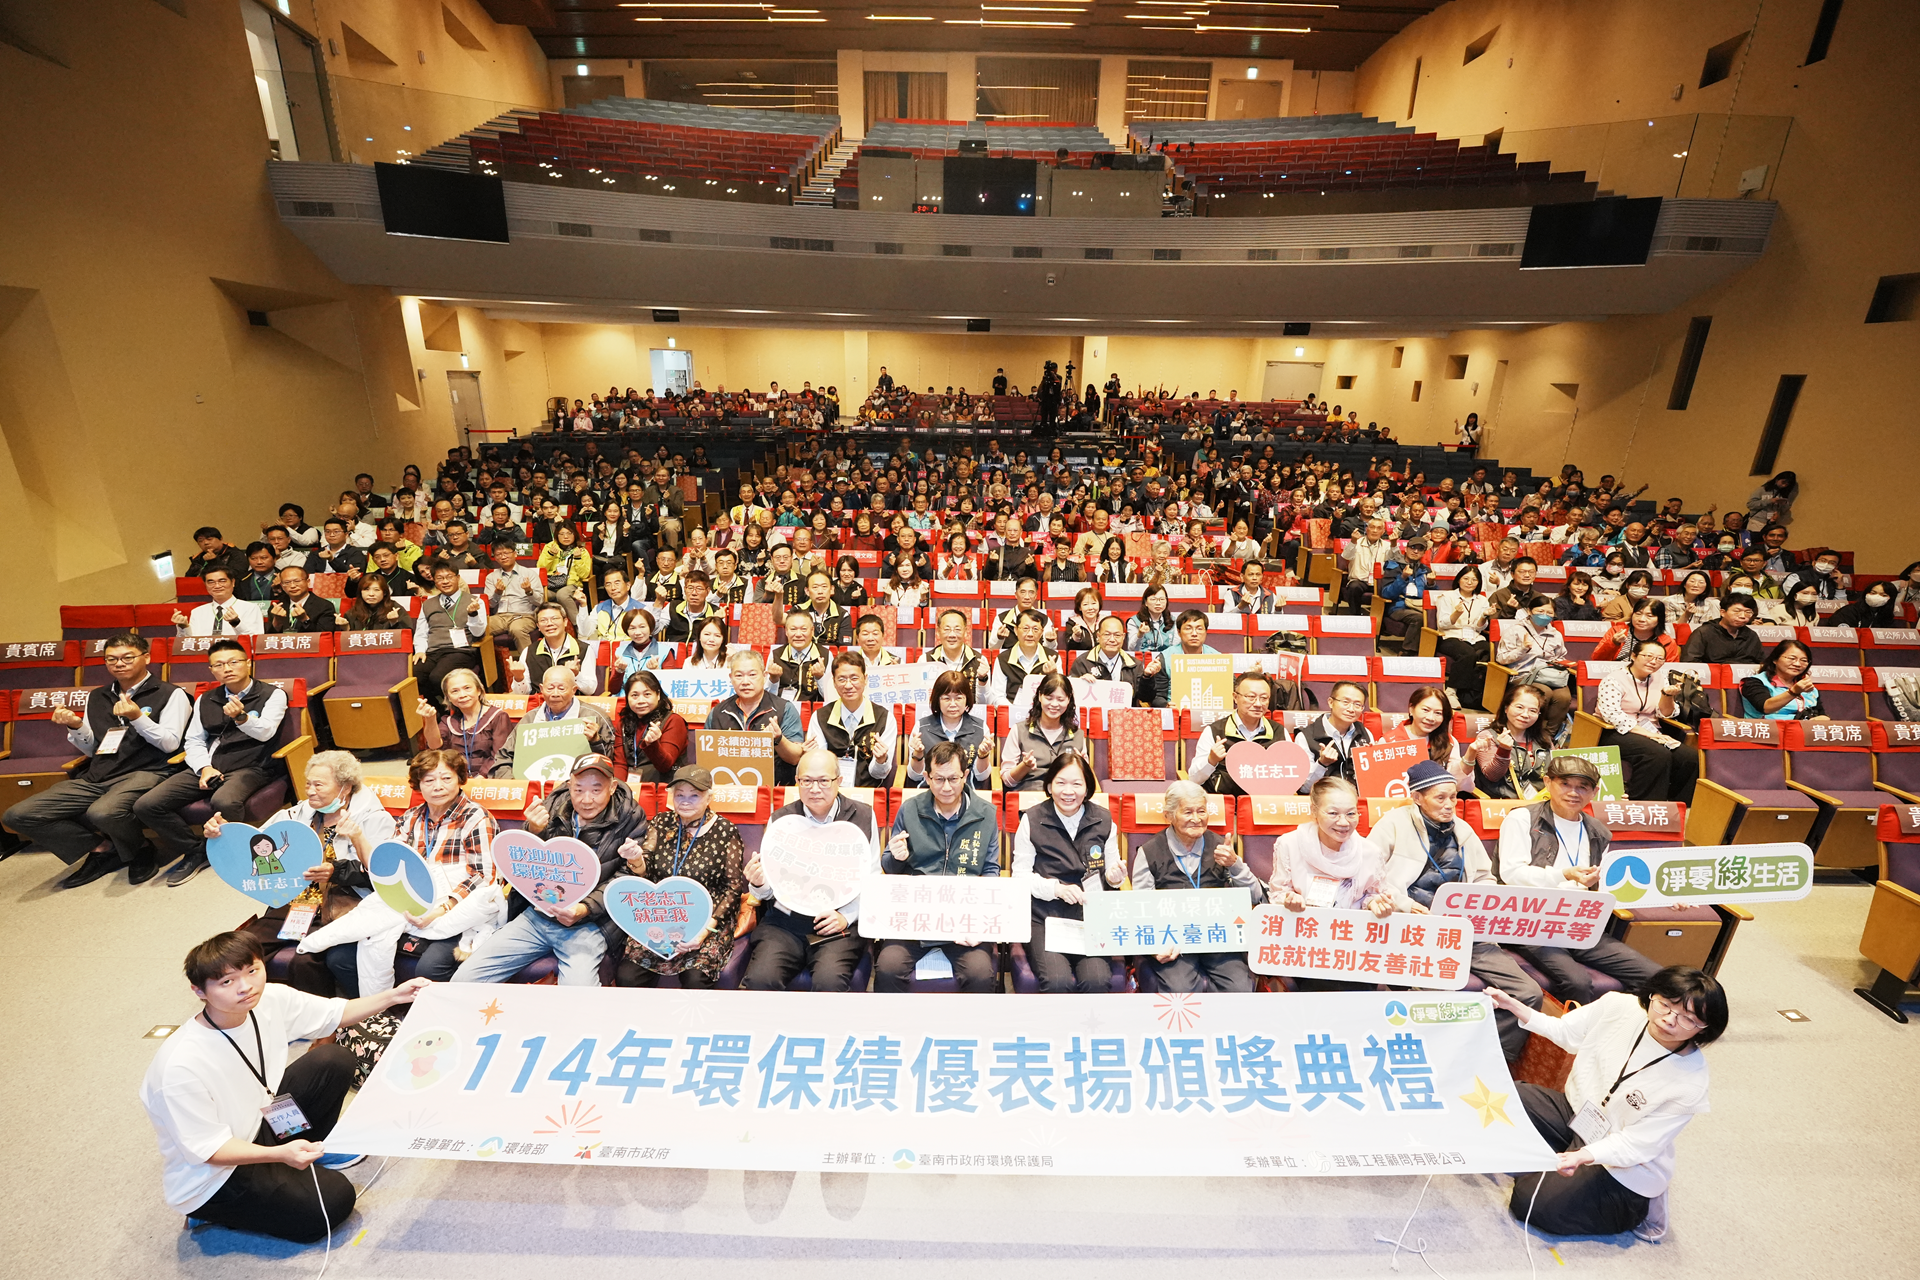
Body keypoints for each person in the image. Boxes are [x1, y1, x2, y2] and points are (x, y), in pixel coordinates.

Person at [140, 931, 429, 1243]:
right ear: (199, 991)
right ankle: (211, 1211)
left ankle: (305, 1147)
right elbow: (209, 1150)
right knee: (334, 1201)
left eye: (252, 970)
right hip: (216, 1174)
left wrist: (395, 996)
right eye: (226, 981)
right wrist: (279, 1153)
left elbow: (338, 1013)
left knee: (332, 1059)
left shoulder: (268, 1000)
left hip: (260, 1118)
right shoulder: (179, 1069)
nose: (246, 986)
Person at [1493, 966, 1723, 1241]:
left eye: (1688, 1019)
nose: (1669, 1020)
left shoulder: (1691, 1083)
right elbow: (1565, 1032)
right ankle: (1557, 1165)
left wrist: (1583, 1156)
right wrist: (1515, 1006)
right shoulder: (1619, 1006)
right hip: (1578, 1114)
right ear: (1652, 995)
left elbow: (1636, 1146)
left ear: (1704, 1029)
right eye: (1665, 1005)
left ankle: (1630, 1208)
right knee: (1500, 1099)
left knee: (1530, 1203)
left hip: (1622, 1165)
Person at [1372, 761, 1544, 1060]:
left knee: (1529, 993)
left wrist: (1479, 904)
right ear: (1417, 797)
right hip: (1415, 930)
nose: (1450, 804)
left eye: (1453, 797)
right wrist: (1405, 905)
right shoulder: (1393, 824)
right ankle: (1433, 1060)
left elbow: (1485, 878)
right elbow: (1370, 878)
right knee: (1438, 998)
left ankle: (1490, 1059)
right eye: (1440, 798)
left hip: (1463, 930)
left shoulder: (1462, 830)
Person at [8, 631, 190, 888]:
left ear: (147, 657)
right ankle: (103, 849)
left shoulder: (171, 694)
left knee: (103, 812)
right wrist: (75, 726)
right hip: (99, 774)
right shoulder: (98, 696)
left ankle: (140, 849)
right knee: (18, 815)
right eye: (111, 659)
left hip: (148, 771)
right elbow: (93, 749)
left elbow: (170, 743)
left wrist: (138, 718)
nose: (119, 664)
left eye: (127, 657)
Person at [453, 753, 639, 985]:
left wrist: (584, 909)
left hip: (590, 924)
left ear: (612, 787)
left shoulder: (630, 817)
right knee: (464, 979)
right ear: (569, 785)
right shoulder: (551, 806)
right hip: (537, 916)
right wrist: (533, 830)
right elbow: (522, 861)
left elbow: (627, 877)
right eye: (579, 789)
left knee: (579, 995)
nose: (586, 799)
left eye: (596, 790)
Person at [1495, 755, 1661, 1005]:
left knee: (1655, 978)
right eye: (1565, 784)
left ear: (1594, 791)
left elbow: (1610, 886)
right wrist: (1564, 874)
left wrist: (1662, 897)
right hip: (1531, 923)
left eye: (1583, 787)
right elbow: (1511, 874)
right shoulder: (1522, 819)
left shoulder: (1598, 831)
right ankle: (1566, 1030)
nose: (1573, 793)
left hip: (1578, 923)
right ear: (1547, 782)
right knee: (1578, 982)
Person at [133, 639, 290, 887]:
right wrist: (204, 767)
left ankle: (235, 853)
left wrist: (242, 717)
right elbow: (194, 739)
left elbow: (266, 732)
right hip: (209, 765)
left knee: (224, 801)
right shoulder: (206, 699)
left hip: (252, 765)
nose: (227, 668)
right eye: (219, 665)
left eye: (233, 662)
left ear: (248, 663)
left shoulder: (272, 694)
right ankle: (196, 851)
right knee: (146, 805)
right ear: (211, 670)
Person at [742, 748, 881, 992]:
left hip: (837, 923)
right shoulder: (782, 819)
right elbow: (769, 891)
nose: (815, 789)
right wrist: (759, 883)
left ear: (839, 780)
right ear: (797, 781)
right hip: (785, 922)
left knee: (829, 982)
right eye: (806, 781)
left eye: (823, 781)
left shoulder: (862, 816)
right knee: (760, 980)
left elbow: (872, 877)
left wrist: (846, 916)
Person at [874, 742, 1002, 993]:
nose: (946, 787)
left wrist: (980, 922)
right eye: (939, 779)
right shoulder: (910, 809)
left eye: (953, 779)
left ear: (965, 775)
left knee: (980, 973)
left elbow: (990, 870)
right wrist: (896, 857)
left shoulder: (986, 813)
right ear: (927, 777)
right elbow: (889, 866)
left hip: (963, 915)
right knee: (888, 967)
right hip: (915, 915)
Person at [615, 766, 747, 988]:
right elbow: (645, 870)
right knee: (628, 975)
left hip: (707, 917)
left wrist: (705, 930)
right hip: (662, 914)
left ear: (709, 798)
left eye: (694, 795)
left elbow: (733, 888)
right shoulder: (661, 822)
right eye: (679, 795)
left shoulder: (725, 830)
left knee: (695, 978)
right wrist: (635, 859)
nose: (685, 801)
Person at [1128, 779, 1263, 993]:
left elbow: (1256, 896)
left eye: (1201, 811)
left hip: (1217, 935)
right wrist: (1155, 947)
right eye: (1188, 812)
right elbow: (1140, 908)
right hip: (1173, 939)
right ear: (1168, 815)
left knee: (1240, 988)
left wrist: (1234, 864)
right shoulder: (1150, 852)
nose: (1197, 819)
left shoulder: (1221, 847)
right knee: (1180, 989)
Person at [1270, 777, 1394, 990]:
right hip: (1305, 940)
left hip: (1354, 943)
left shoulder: (1370, 852)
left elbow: (1373, 894)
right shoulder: (1289, 844)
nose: (1344, 822)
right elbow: (1278, 893)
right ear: (1314, 811)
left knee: (1359, 983)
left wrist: (1375, 904)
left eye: (1351, 813)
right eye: (1333, 813)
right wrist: (1290, 900)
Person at [1013, 752, 1121, 993]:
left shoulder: (1104, 820)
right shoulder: (1032, 819)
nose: (1068, 791)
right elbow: (1020, 876)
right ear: (1049, 786)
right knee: (1057, 980)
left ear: (1087, 788)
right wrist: (1056, 889)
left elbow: (1113, 874)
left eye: (1076, 784)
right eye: (1060, 783)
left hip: (1090, 918)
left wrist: (1114, 879)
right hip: (1045, 917)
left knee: (1096, 980)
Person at [1596, 639, 1699, 803]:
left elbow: (1664, 713)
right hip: (1614, 731)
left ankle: (1676, 804)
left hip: (1652, 730)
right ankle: (1643, 803)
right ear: (1633, 656)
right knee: (1656, 754)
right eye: (1648, 656)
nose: (1654, 661)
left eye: (1659, 658)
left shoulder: (1660, 678)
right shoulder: (1613, 679)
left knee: (1690, 757)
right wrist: (1651, 735)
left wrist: (1667, 696)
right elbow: (1612, 715)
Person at [705, 649, 805, 787]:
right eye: (739, 675)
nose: (745, 682)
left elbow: (795, 758)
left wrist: (778, 739)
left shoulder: (784, 709)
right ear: (730, 678)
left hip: (773, 790)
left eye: (752, 675)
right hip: (728, 789)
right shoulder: (718, 712)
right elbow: (707, 757)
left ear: (764, 676)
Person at [495, 667, 614, 777]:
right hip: (533, 786)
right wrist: (515, 784)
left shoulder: (595, 716)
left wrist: (596, 742)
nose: (555, 694)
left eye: (561, 689)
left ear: (574, 690)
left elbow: (610, 761)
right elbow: (503, 757)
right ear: (541, 689)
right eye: (550, 688)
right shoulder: (529, 719)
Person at [803, 650, 899, 786]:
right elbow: (820, 769)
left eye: (854, 678)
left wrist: (880, 760)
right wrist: (811, 757)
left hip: (869, 792)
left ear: (865, 679)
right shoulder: (820, 717)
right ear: (834, 682)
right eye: (841, 679)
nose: (848, 685)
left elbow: (879, 774)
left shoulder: (885, 718)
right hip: (830, 791)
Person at [1188, 670, 1283, 795]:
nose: (1258, 704)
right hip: (1226, 803)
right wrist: (1211, 760)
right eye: (1251, 697)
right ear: (1235, 697)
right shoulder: (1214, 731)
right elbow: (1193, 779)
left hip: (1265, 804)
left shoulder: (1279, 732)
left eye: (1264, 698)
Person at [410, 559, 487, 711]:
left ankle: (454, 709)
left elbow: (479, 633)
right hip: (433, 651)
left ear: (458, 578)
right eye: (440, 578)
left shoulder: (474, 601)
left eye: (449, 577)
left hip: (460, 651)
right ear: (434, 580)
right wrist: (419, 650)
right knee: (414, 677)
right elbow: (421, 632)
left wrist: (473, 614)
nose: (445, 581)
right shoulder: (427, 604)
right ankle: (438, 709)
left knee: (438, 677)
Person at [1496, 594, 1576, 735]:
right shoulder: (1516, 630)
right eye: (1540, 611)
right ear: (1529, 611)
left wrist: (1562, 663)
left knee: (1564, 697)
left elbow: (1560, 655)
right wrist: (1522, 649)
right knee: (1544, 693)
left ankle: (1549, 735)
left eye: (1549, 613)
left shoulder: (1555, 634)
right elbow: (1501, 658)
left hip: (1550, 675)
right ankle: (1532, 732)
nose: (1545, 615)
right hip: (1523, 674)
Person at [417, 666, 512, 782]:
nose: (462, 695)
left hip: (489, 779)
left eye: (467, 688)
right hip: (455, 780)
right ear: (448, 697)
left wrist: (479, 778)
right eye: (455, 691)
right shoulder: (448, 721)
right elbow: (434, 746)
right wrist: (430, 719)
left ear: (479, 690)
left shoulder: (498, 717)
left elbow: (500, 756)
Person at [904, 669, 995, 789]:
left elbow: (981, 777)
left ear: (967, 699)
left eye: (958, 698)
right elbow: (914, 776)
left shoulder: (980, 728)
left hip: (966, 793)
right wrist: (918, 754)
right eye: (946, 698)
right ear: (937, 700)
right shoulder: (922, 727)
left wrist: (983, 755)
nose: (952, 704)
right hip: (930, 793)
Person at [1002, 672, 1087, 792]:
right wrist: (1025, 766)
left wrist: (1082, 767)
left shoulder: (1077, 735)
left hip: (1065, 796)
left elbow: (1085, 782)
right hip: (1030, 795)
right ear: (1040, 696)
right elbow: (1007, 781)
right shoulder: (1019, 730)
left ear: (1068, 700)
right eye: (1049, 698)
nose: (1054, 704)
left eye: (1060, 699)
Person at [1472, 683, 1558, 798]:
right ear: (1506, 708)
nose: (1525, 715)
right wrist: (1503, 750)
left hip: (1540, 800)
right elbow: (1492, 776)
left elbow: (1555, 773)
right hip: (1503, 801)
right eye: (1519, 707)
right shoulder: (1488, 736)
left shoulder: (1544, 739)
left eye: (1533, 711)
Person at [1290, 679, 1376, 790]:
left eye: (1357, 704)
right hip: (1324, 798)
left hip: (1357, 798)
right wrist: (1322, 764)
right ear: (1331, 702)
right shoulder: (1305, 737)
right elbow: (1303, 788)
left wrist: (1372, 763)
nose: (1351, 709)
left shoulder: (1365, 733)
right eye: (1345, 702)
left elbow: (1374, 782)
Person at [1383, 685, 1473, 789]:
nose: (1431, 718)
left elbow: (1459, 784)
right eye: (1425, 710)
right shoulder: (1388, 741)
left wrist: (1470, 756)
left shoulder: (1449, 742)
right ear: (1411, 709)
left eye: (1438, 713)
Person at [611, 669, 689, 782]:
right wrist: (620, 788)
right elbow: (620, 764)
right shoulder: (624, 724)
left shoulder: (673, 721)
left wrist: (653, 745)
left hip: (663, 785)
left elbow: (665, 766)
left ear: (658, 695)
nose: (641, 701)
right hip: (631, 786)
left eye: (647, 694)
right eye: (634, 695)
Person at [1433, 563, 1492, 709]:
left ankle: (1475, 693)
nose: (1469, 582)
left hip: (1474, 636)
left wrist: (1484, 616)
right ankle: (1451, 691)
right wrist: (1456, 614)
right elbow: (1442, 624)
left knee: (1490, 651)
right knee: (1468, 654)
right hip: (1450, 636)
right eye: (1466, 578)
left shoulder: (1482, 600)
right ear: (1458, 579)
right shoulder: (1447, 597)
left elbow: (1480, 627)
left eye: (1474, 579)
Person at [508, 602, 599, 695]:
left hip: (573, 702)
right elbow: (521, 694)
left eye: (554, 618)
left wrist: (576, 675)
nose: (549, 623)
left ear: (565, 622)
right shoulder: (529, 652)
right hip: (540, 702)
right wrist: (519, 677)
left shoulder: (584, 649)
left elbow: (590, 690)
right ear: (538, 626)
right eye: (543, 620)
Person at [1069, 615, 1161, 707]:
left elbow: (1146, 698)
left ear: (1123, 637)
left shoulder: (1134, 664)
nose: (1112, 640)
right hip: (1094, 714)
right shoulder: (1082, 662)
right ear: (1098, 636)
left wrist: (1147, 677)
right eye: (1107, 634)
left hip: (1125, 714)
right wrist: (1080, 684)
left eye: (1117, 635)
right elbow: (1070, 696)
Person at [1739, 638, 1827, 720]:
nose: (1797, 664)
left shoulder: (1807, 686)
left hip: (1803, 729)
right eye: (1792, 658)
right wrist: (1793, 692)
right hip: (1769, 729)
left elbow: (1820, 713)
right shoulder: (1755, 682)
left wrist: (1823, 719)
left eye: (1804, 660)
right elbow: (1766, 708)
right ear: (1775, 659)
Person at [482, 543, 542, 660]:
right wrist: (497, 593)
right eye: (499, 554)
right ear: (495, 558)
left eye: (506, 553)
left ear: (515, 554)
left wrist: (529, 591)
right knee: (480, 628)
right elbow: (490, 605)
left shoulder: (529, 574)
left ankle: (530, 663)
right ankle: (489, 665)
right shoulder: (491, 577)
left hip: (524, 616)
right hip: (500, 617)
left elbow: (540, 601)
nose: (503, 557)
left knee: (517, 629)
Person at [172, 567, 265, 637]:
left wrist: (237, 624)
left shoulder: (250, 608)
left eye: (222, 581)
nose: (217, 586)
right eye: (211, 582)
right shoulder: (197, 612)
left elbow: (256, 641)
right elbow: (189, 644)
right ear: (205, 585)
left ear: (233, 582)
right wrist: (183, 627)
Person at [1592, 600, 1679, 663]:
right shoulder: (1617, 631)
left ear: (1659, 619)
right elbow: (1596, 660)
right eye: (1638, 614)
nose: (1641, 619)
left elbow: (1669, 670)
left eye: (1649, 616)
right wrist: (1613, 643)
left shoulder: (1667, 642)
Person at [265, 566, 337, 634]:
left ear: (308, 582)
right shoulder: (277, 607)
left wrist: (305, 620)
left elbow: (325, 636)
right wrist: (277, 622)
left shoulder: (324, 606)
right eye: (287, 582)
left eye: (297, 581)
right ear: (282, 586)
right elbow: (268, 638)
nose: (292, 586)